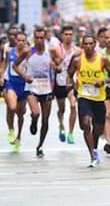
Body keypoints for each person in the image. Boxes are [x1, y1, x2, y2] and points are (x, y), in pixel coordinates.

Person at [67, 34, 110, 167]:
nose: (88, 46)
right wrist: (69, 84)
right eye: (85, 44)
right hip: (84, 96)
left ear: (95, 45)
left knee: (98, 128)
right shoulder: (77, 60)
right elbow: (69, 74)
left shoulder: (103, 59)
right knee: (86, 123)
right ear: (82, 45)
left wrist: (103, 81)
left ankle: (94, 147)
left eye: (91, 44)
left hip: (99, 98)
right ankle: (92, 155)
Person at [13, 26, 62, 158]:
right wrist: (25, 77)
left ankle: (40, 145)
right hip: (32, 87)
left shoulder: (51, 51)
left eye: (42, 37)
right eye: (37, 38)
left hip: (47, 88)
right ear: (34, 38)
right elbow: (15, 66)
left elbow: (60, 67)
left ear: (45, 37)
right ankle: (34, 120)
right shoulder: (28, 51)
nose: (39, 40)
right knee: (36, 112)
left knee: (45, 120)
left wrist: (55, 66)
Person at [2, 31, 29, 152]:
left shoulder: (28, 53)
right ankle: (11, 130)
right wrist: (1, 75)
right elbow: (5, 63)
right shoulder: (9, 51)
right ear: (15, 40)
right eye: (19, 40)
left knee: (20, 113)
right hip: (11, 83)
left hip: (23, 85)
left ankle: (19, 137)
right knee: (12, 107)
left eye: (23, 40)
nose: (21, 43)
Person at [53, 25, 80, 145]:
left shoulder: (78, 51)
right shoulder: (56, 49)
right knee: (62, 109)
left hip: (71, 83)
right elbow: (51, 65)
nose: (68, 37)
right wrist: (57, 66)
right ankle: (61, 125)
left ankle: (71, 133)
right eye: (66, 34)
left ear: (73, 35)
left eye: (70, 34)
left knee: (73, 105)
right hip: (59, 82)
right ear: (62, 35)